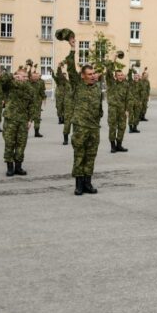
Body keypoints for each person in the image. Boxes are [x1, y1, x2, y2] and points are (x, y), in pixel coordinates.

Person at [65, 37, 103, 196]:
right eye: (90, 74)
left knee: (91, 155)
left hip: (94, 126)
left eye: (94, 73)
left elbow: (99, 105)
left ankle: (88, 182)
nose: (93, 76)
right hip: (80, 126)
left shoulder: (97, 87)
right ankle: (79, 184)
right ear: (83, 76)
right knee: (79, 155)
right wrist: (73, 49)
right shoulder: (77, 84)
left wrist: (99, 115)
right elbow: (71, 68)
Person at [0, 67, 35, 176]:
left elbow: (32, 105)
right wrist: (12, 76)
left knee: (21, 144)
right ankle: (10, 167)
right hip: (10, 119)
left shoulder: (30, 88)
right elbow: (2, 80)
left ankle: (18, 167)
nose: (25, 78)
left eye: (26, 77)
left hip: (23, 120)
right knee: (9, 143)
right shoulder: (11, 85)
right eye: (22, 76)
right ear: (17, 76)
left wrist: (30, 120)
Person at [105, 63, 130, 153]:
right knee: (112, 127)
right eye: (118, 75)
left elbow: (128, 98)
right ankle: (113, 146)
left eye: (121, 75)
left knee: (122, 127)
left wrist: (127, 110)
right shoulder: (111, 83)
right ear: (115, 77)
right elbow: (108, 72)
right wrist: (114, 59)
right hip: (113, 109)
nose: (120, 76)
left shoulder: (126, 84)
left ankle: (119, 145)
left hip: (122, 109)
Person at [27, 69, 46, 138]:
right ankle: (24, 132)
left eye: (36, 77)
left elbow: (42, 92)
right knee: (28, 118)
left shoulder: (39, 83)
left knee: (37, 118)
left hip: (37, 103)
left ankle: (37, 132)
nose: (35, 78)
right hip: (28, 103)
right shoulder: (27, 83)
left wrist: (44, 98)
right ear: (31, 77)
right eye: (34, 77)